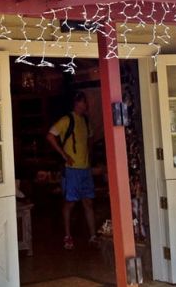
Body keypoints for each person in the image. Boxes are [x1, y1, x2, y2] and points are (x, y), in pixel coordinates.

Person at [46, 91, 97, 250]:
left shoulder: (86, 121)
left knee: (88, 202)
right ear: (76, 103)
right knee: (70, 203)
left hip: (85, 168)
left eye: (85, 103)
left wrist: (89, 155)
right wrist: (64, 155)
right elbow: (50, 136)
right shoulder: (67, 120)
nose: (85, 105)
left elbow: (90, 139)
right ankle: (67, 236)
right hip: (72, 169)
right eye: (83, 102)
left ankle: (93, 236)